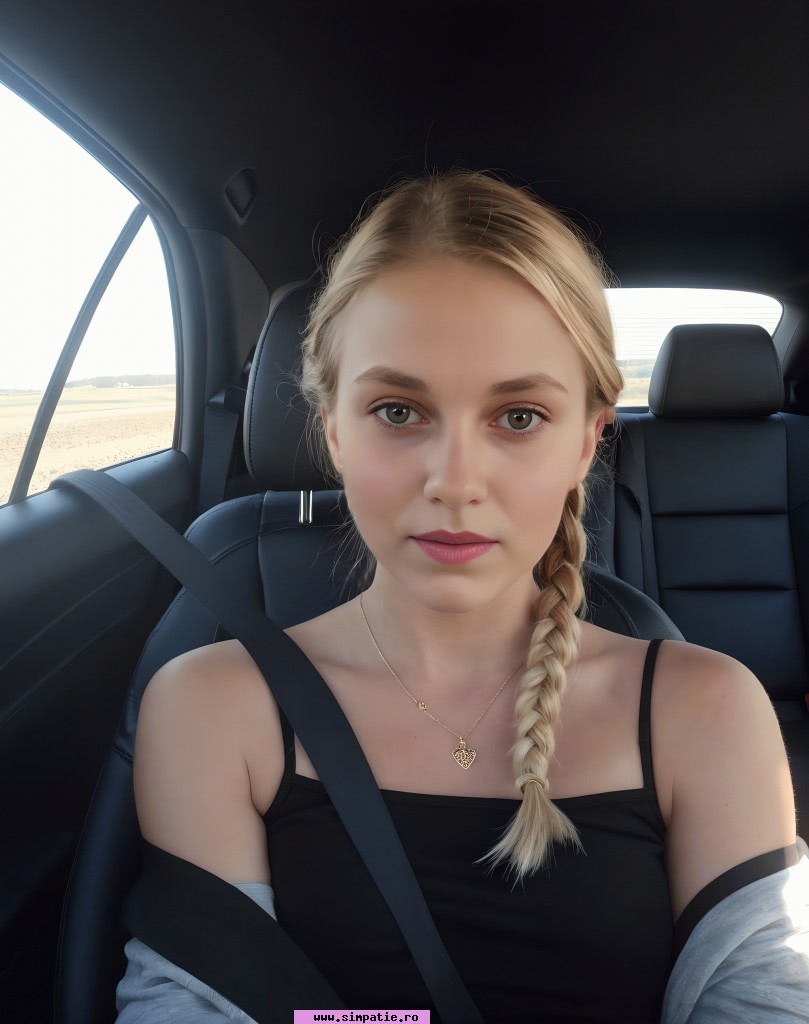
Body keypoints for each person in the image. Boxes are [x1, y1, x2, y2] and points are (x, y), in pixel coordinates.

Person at [115, 170, 806, 1023]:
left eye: (518, 417)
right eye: (397, 411)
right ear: (333, 431)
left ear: (586, 443)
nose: (454, 481)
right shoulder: (213, 707)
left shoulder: (707, 710)